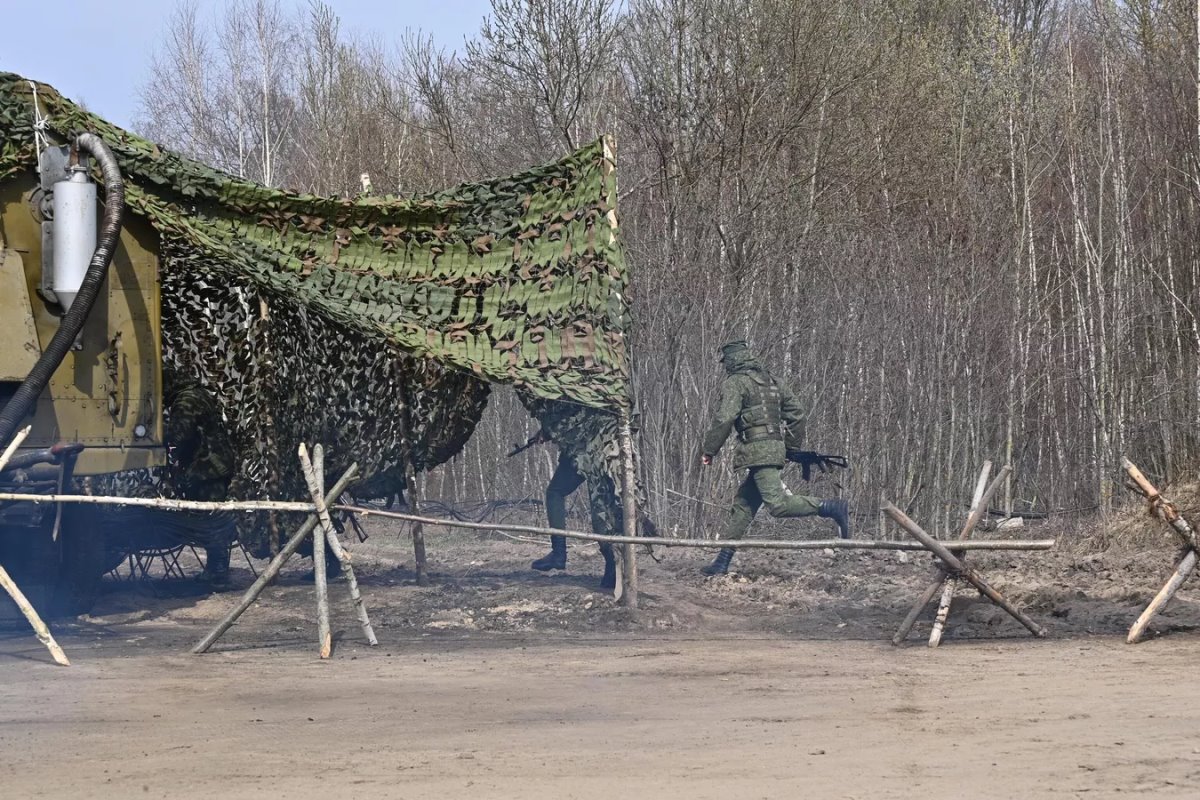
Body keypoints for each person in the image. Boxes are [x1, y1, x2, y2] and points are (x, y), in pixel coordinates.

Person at [700, 339, 850, 575]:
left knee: (778, 505)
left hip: (757, 452)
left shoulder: (736, 382)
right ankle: (722, 562)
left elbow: (725, 418)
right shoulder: (772, 381)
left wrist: (709, 450)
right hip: (772, 449)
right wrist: (790, 447)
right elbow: (798, 415)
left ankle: (831, 507)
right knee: (744, 507)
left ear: (731, 361)